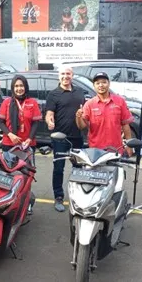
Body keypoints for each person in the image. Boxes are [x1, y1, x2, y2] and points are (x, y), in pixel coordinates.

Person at [0, 75, 42, 214]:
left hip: (27, 145)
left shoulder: (32, 102)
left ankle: (26, 203)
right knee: (8, 174)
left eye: (21, 86)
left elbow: (36, 123)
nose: (19, 88)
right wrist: (10, 134)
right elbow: (1, 123)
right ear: (13, 88)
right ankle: (8, 201)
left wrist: (29, 138)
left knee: (26, 175)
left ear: (25, 87)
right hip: (9, 144)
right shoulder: (6, 103)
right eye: (16, 86)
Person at [45, 67, 86, 212]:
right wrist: (50, 122)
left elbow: (84, 111)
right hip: (60, 138)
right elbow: (49, 113)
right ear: (59, 76)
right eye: (63, 74)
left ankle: (80, 197)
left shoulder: (80, 92)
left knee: (79, 169)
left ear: (72, 76)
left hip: (77, 137)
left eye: (68, 74)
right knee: (58, 169)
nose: (65, 76)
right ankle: (58, 197)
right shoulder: (53, 94)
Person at [76, 72, 135, 156]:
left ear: (109, 83)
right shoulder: (89, 104)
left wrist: (129, 146)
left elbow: (125, 125)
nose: (101, 85)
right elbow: (81, 126)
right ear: (94, 86)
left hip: (116, 149)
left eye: (104, 82)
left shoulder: (119, 101)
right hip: (95, 150)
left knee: (116, 169)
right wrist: (78, 117)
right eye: (98, 83)